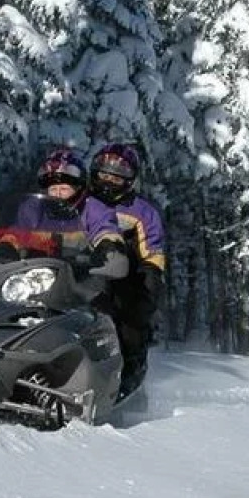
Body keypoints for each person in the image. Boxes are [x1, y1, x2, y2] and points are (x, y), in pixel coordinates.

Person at [87, 143, 167, 398]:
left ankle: (127, 380)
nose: (108, 181)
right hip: (80, 271)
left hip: (126, 277)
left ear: (129, 180)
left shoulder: (142, 212)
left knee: (130, 319)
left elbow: (152, 252)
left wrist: (149, 279)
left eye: (116, 177)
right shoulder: (82, 201)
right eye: (104, 174)